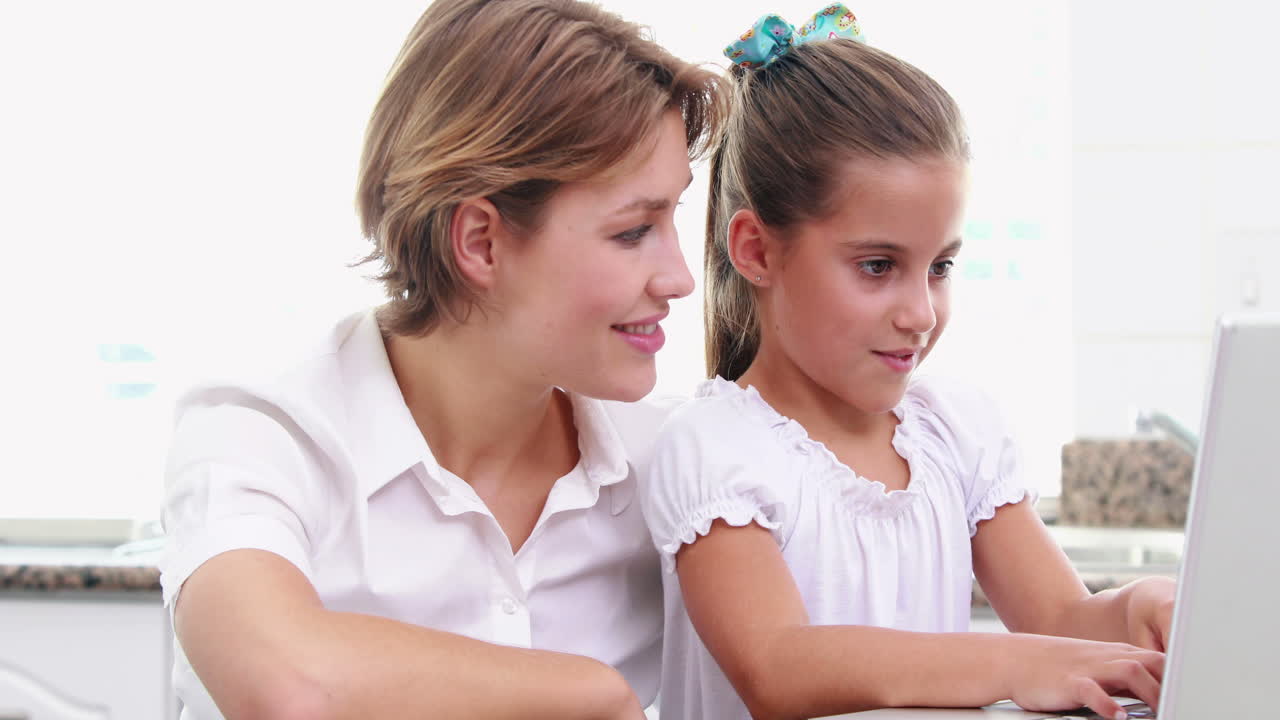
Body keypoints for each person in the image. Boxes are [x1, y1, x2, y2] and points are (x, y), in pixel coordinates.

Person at [159, 1, 721, 718]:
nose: (678, 278)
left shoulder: (669, 459)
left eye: (672, 220)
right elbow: (286, 686)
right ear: (480, 242)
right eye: (634, 231)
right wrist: (594, 695)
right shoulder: (262, 436)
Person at [639, 6, 1177, 720]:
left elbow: (1061, 618)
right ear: (757, 251)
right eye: (877, 265)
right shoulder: (714, 449)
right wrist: (1013, 664)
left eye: (940, 266)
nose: (920, 313)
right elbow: (777, 667)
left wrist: (1140, 608)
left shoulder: (954, 430)